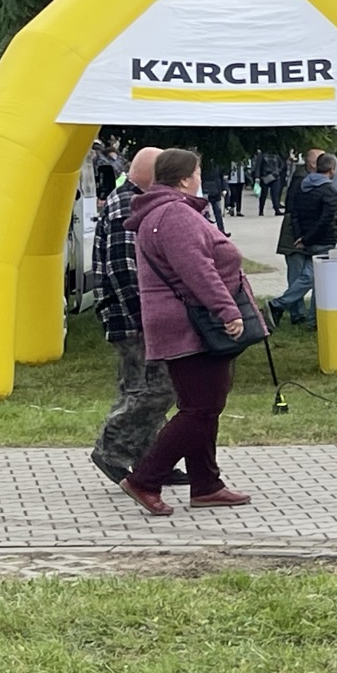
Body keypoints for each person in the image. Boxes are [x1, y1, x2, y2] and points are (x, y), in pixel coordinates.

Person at [120, 148, 266, 515]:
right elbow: (197, 270)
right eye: (197, 172)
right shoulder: (174, 214)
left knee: (201, 406)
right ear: (185, 178)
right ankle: (145, 479)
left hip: (180, 322)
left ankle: (206, 485)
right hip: (191, 325)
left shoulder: (162, 211)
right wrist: (227, 310)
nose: (200, 178)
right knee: (201, 409)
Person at [88, 146, 178, 487]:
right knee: (154, 388)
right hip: (130, 315)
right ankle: (111, 448)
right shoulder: (128, 206)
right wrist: (147, 316)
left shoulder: (131, 200)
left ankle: (149, 462)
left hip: (128, 313)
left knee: (139, 386)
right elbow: (126, 270)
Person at [270, 152, 337, 326]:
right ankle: (279, 305)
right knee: (312, 278)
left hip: (306, 239)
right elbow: (329, 218)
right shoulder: (329, 190)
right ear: (332, 169)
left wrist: (301, 237)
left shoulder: (304, 186)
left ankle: (313, 318)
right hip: (323, 240)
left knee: (313, 278)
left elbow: (295, 213)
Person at [255, 150, 284, 216]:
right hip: (265, 176)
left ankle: (276, 209)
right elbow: (258, 166)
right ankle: (261, 210)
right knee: (263, 195)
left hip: (275, 176)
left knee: (275, 194)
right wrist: (257, 176)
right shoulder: (262, 155)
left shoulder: (277, 155)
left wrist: (278, 171)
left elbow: (282, 164)